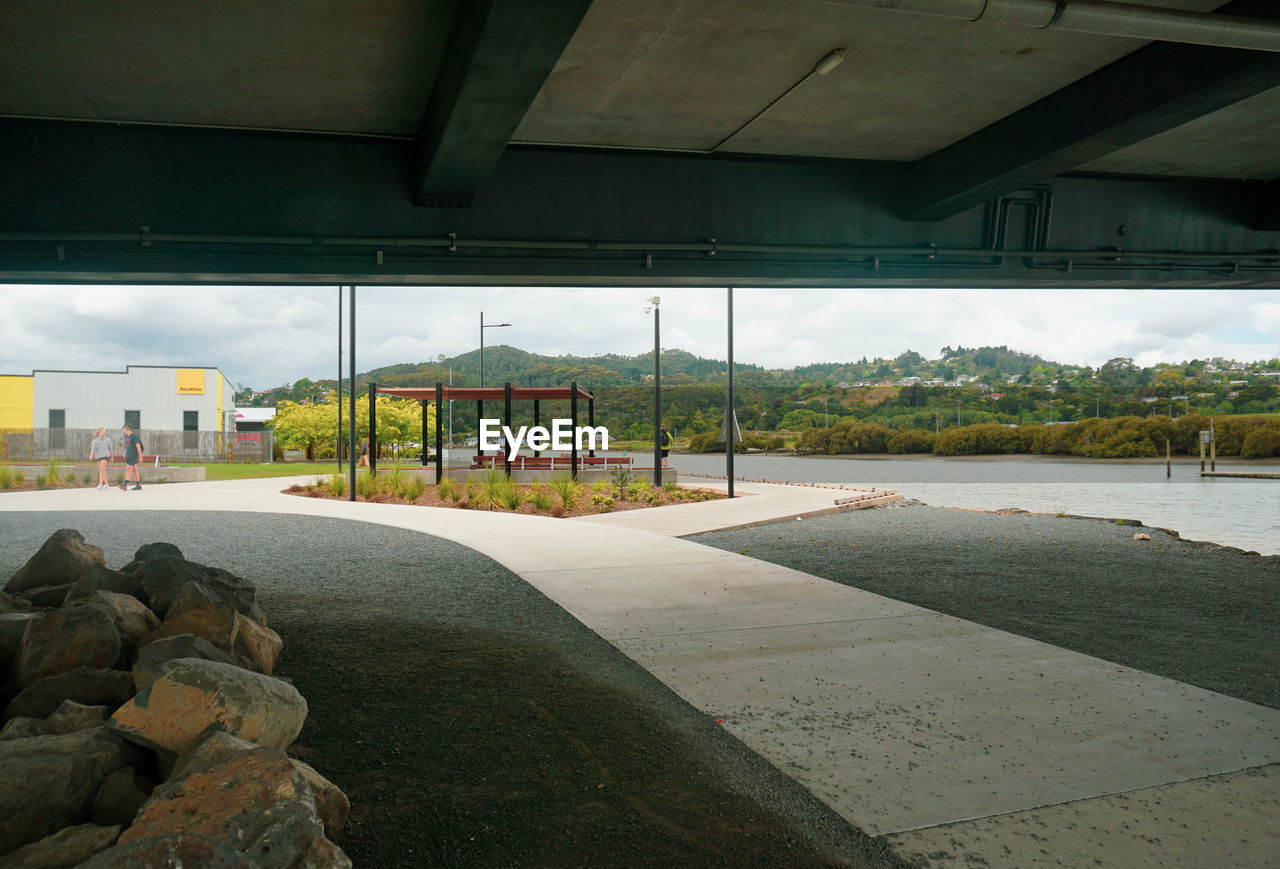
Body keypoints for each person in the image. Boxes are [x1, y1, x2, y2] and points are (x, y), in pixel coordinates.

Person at [117, 424, 144, 491]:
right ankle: (138, 485)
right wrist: (125, 453)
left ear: (126, 429)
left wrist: (140, 457)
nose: (123, 431)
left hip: (133, 455)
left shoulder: (134, 437)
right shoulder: (127, 437)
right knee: (134, 470)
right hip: (129, 455)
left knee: (129, 469)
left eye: (123, 430)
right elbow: (128, 447)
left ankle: (124, 484)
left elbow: (138, 447)